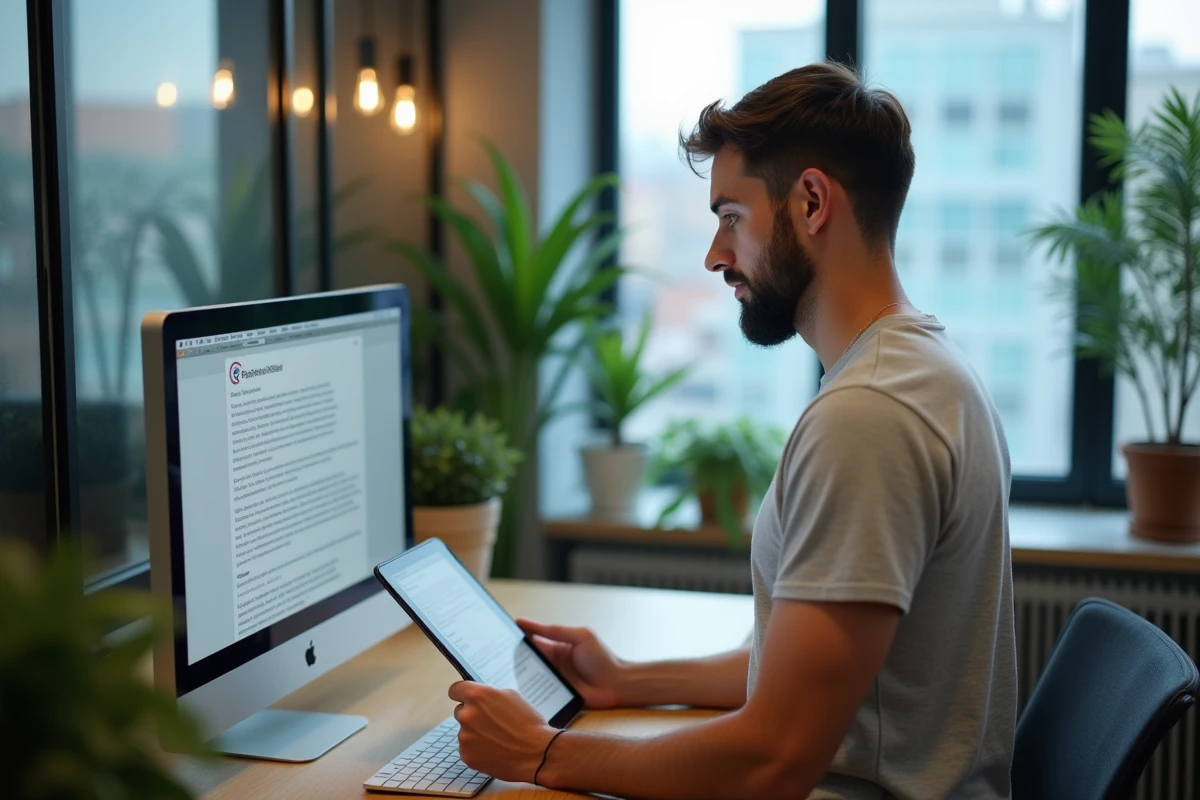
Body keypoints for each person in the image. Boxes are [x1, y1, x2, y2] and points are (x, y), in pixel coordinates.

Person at [448, 61, 1016, 800]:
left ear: (812, 202)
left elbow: (773, 759)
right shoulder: (918, 370)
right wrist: (625, 680)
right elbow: (793, 677)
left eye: (732, 218)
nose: (716, 255)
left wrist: (542, 754)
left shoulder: (871, 415)